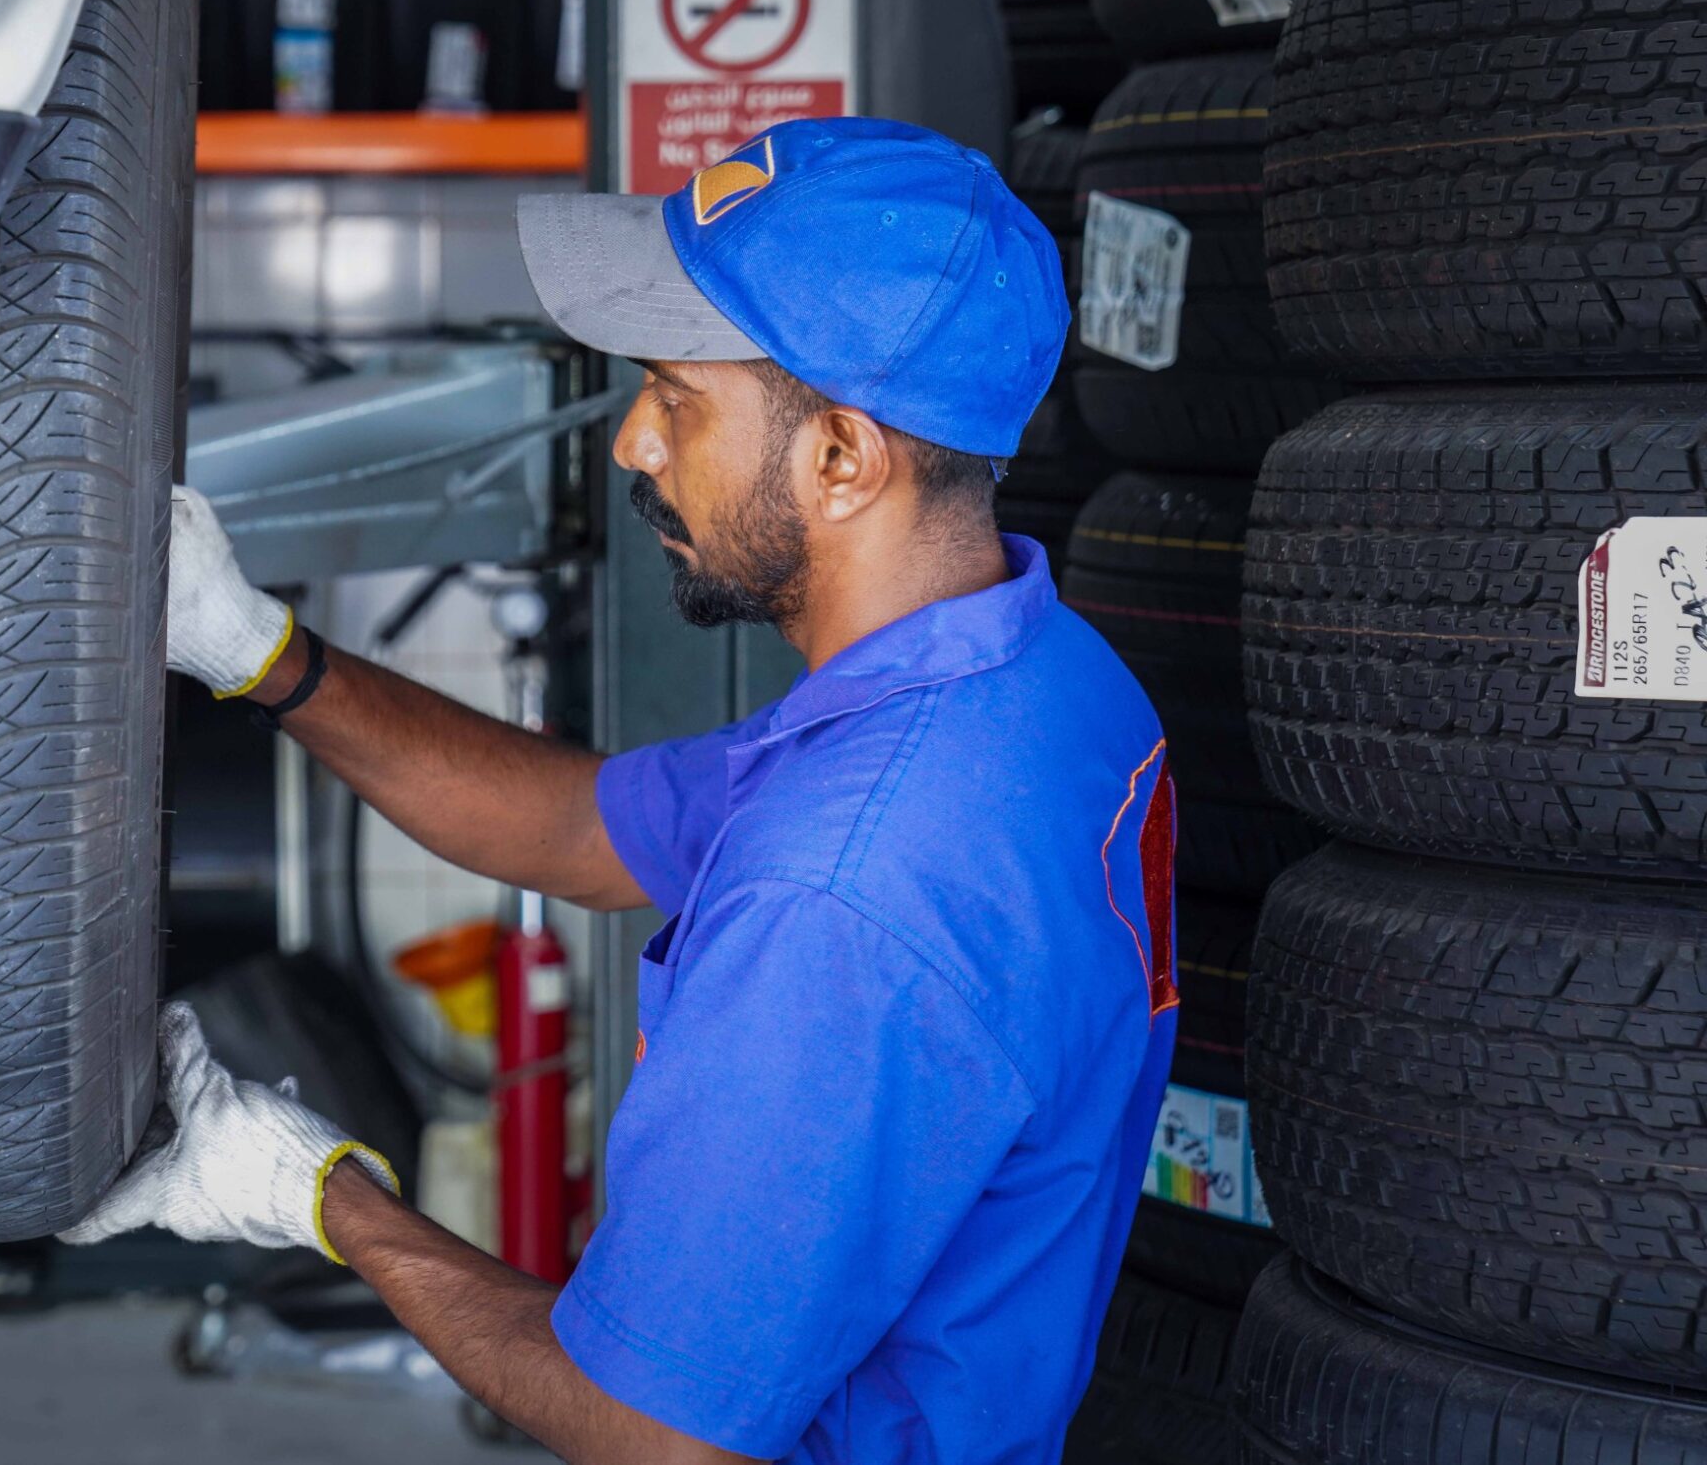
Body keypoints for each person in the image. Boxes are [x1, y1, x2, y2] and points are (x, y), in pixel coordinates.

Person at [66, 118, 1178, 1465]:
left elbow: (654, 1433)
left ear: (842, 456)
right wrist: (266, 657)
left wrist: (322, 1197)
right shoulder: (1034, 678)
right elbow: (581, 827)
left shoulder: (844, 890)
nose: (633, 442)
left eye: (677, 394)